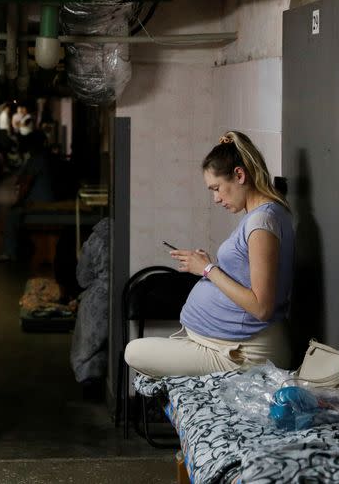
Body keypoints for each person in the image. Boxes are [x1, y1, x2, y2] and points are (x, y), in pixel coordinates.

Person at [125, 131, 294, 377]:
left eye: (217, 188)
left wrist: (207, 269)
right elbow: (248, 276)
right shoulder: (263, 216)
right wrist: (207, 266)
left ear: (239, 175)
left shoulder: (262, 222)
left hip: (244, 353)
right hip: (228, 344)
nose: (215, 199)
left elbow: (261, 307)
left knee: (133, 352)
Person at [0, 130, 55, 262]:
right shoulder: (45, 157)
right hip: (47, 201)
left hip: (39, 205)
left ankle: (9, 253)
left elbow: (25, 183)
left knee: (12, 217)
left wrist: (18, 202)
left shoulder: (36, 159)